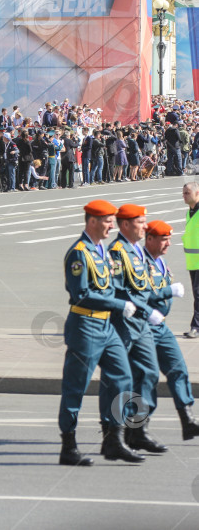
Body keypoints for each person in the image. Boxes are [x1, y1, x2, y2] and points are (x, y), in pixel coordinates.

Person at [58, 199, 143, 466]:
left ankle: (113, 439)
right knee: (76, 385)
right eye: (108, 220)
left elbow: (112, 285)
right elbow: (81, 295)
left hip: (107, 327)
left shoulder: (102, 251)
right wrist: (119, 304)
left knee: (122, 378)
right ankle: (69, 446)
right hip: (85, 326)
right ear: (92, 221)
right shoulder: (79, 253)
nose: (111, 225)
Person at [109, 204, 166, 453]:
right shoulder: (117, 252)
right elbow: (120, 291)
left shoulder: (137, 251)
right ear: (125, 225)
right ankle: (115, 434)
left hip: (141, 324)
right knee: (120, 381)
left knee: (149, 374)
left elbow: (144, 286)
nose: (145, 226)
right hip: (123, 324)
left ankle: (138, 430)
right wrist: (145, 310)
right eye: (140, 222)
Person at [143, 220, 199, 441]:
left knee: (178, 369)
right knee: (144, 379)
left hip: (161, 326)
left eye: (168, 238)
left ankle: (187, 420)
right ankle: (136, 429)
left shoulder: (160, 262)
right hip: (142, 326)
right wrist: (167, 292)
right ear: (150, 239)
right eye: (164, 239)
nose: (168, 243)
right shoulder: (140, 263)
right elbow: (135, 294)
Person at [183, 182, 199, 339]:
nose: (184, 196)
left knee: (198, 294)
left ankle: (196, 326)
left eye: (187, 193)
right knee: (197, 294)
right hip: (193, 261)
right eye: (183, 193)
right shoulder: (191, 211)